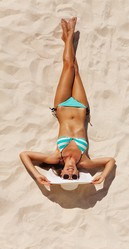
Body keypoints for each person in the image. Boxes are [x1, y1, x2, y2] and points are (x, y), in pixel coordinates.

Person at [20, 17, 115, 187]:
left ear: (61, 172)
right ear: (79, 174)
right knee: (75, 69)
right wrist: (103, 176)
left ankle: (68, 37)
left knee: (68, 66)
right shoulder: (85, 161)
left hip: (62, 105)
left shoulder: (56, 157)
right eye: (74, 177)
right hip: (80, 107)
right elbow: (110, 160)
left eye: (65, 177)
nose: (70, 174)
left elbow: (24, 155)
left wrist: (37, 176)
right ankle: (67, 38)